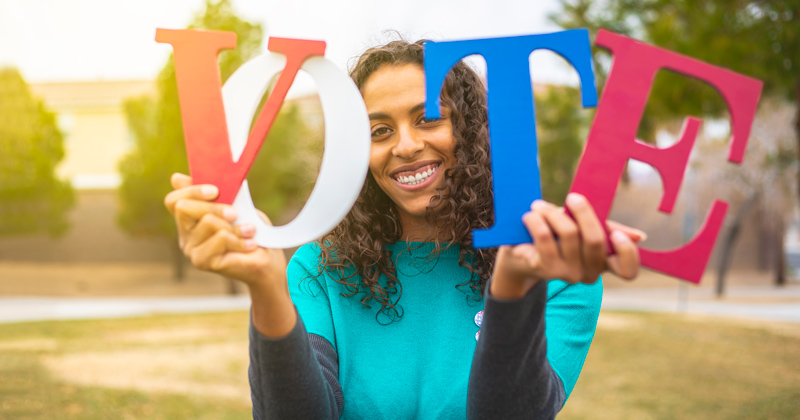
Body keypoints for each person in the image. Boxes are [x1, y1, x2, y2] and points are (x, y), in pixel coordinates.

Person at [164, 39, 641, 420]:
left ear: (473, 132)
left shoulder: (557, 270)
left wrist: (515, 288)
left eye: (428, 119)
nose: (407, 146)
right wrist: (267, 285)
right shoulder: (319, 268)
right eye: (379, 131)